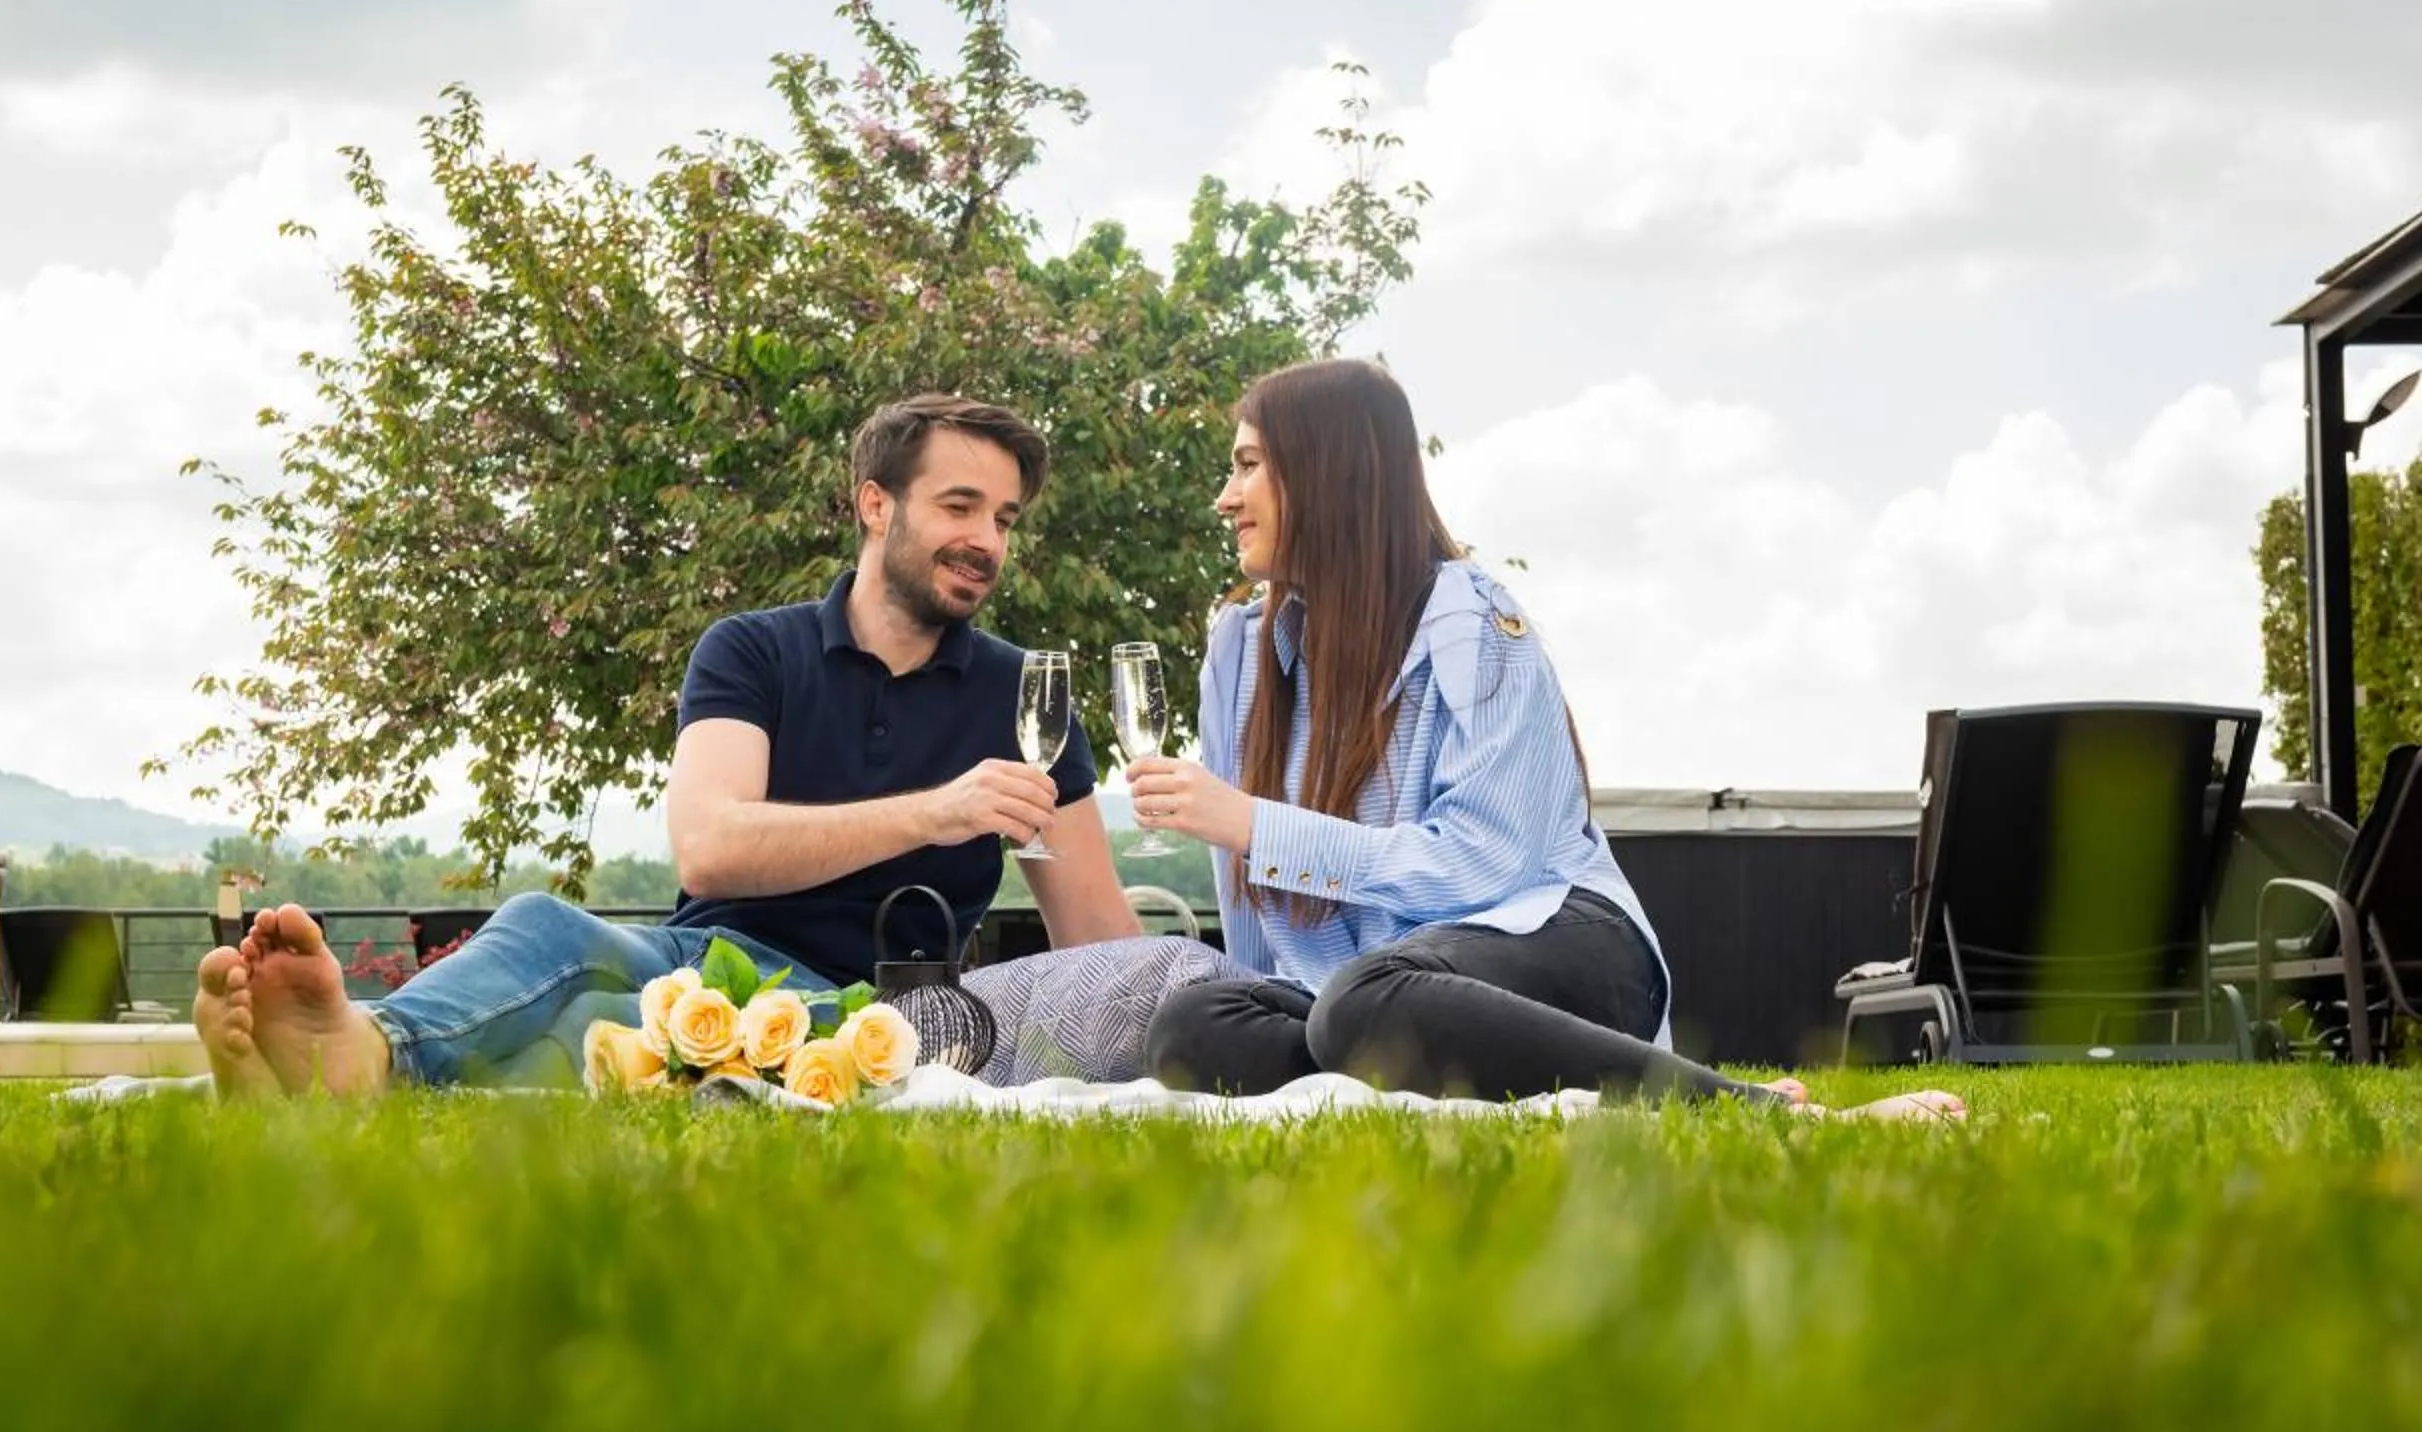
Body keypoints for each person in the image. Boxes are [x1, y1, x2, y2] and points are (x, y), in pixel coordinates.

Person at [194, 392, 1219, 1097]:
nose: (988, 540)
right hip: (699, 967)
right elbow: (712, 849)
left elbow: (1098, 934)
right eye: (960, 506)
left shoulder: (1020, 691)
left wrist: (1211, 1011)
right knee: (552, 935)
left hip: (878, 1012)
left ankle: (339, 1066)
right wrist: (939, 810)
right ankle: (362, 1049)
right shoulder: (754, 651)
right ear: (875, 503)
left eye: (1003, 518)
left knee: (583, 1041)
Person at [1129, 358, 1964, 1121]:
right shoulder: (1240, 653)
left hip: (1551, 937)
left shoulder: (1468, 618)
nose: (1225, 498)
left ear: (1328, 470)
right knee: (1197, 1021)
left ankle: (1759, 1112)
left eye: (1247, 466)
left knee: (1362, 1003)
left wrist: (1257, 825)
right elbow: (1251, 906)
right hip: (1377, 989)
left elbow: (1482, 867)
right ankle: (1371, 1068)